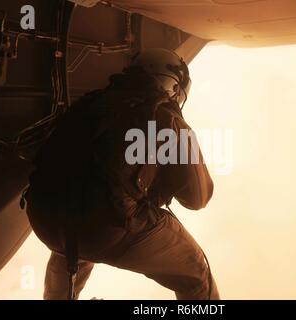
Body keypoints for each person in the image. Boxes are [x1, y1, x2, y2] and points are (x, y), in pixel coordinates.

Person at [24, 48, 219, 300]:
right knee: (196, 273)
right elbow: (197, 199)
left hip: (44, 219)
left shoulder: (91, 102)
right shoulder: (166, 117)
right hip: (103, 228)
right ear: (174, 87)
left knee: (74, 238)